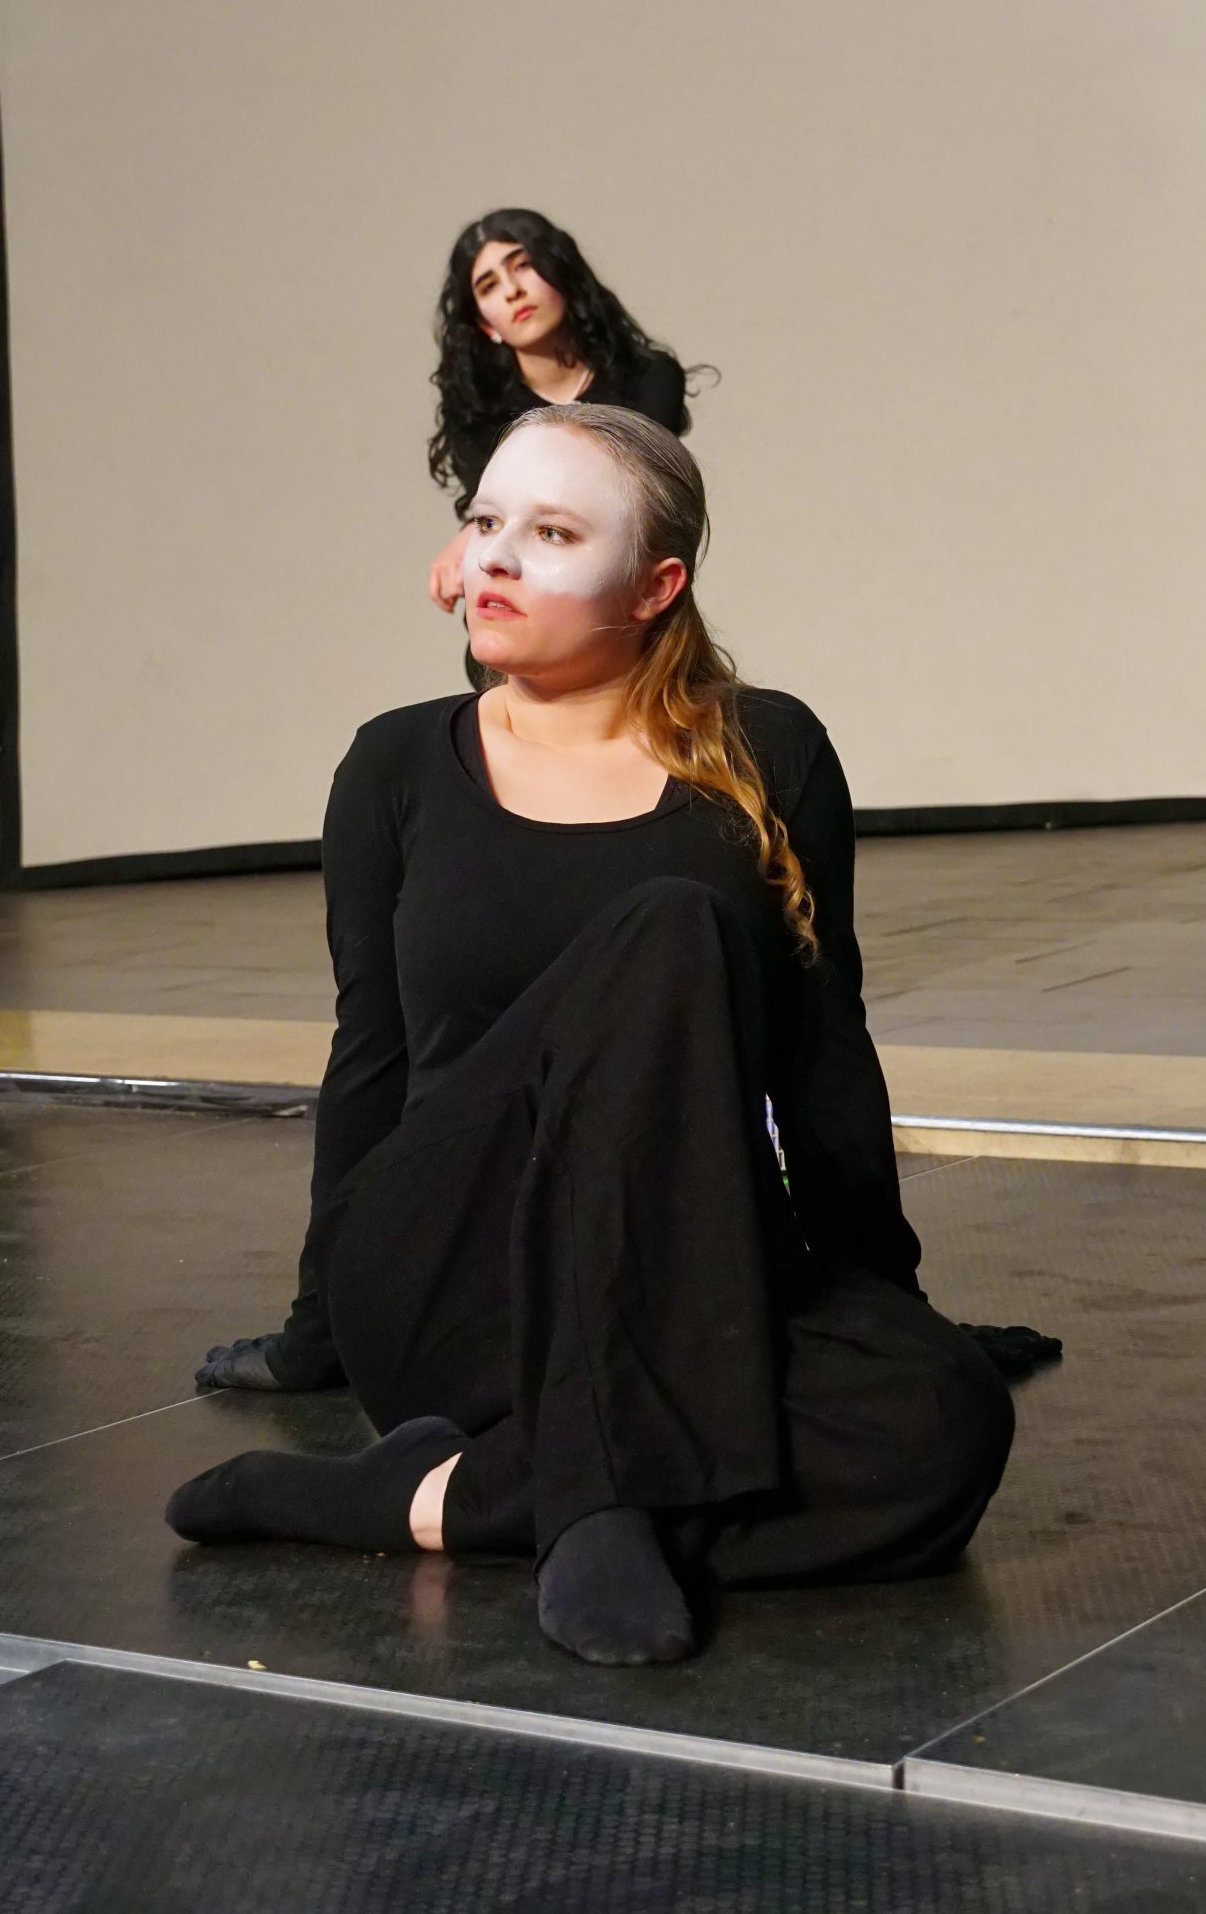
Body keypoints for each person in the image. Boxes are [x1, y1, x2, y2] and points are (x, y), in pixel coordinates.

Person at [173, 406, 1028, 1666]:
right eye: (485, 522)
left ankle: (439, 1500)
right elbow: (372, 1054)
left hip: (685, 1265)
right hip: (456, 1264)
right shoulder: (397, 763)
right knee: (669, 930)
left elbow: (823, 1050)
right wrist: (320, 1334)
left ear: (655, 585)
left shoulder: (770, 747)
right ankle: (592, 1495)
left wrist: (886, 1309)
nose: (495, 556)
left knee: (944, 1422)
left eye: (554, 533)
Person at [421, 210, 693, 630]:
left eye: (524, 266)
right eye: (489, 286)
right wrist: (474, 531)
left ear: (561, 272)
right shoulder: (477, 411)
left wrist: (466, 536)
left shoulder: (649, 378)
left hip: (621, 607)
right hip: (519, 613)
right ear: (484, 324)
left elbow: (608, 491)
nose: (513, 291)